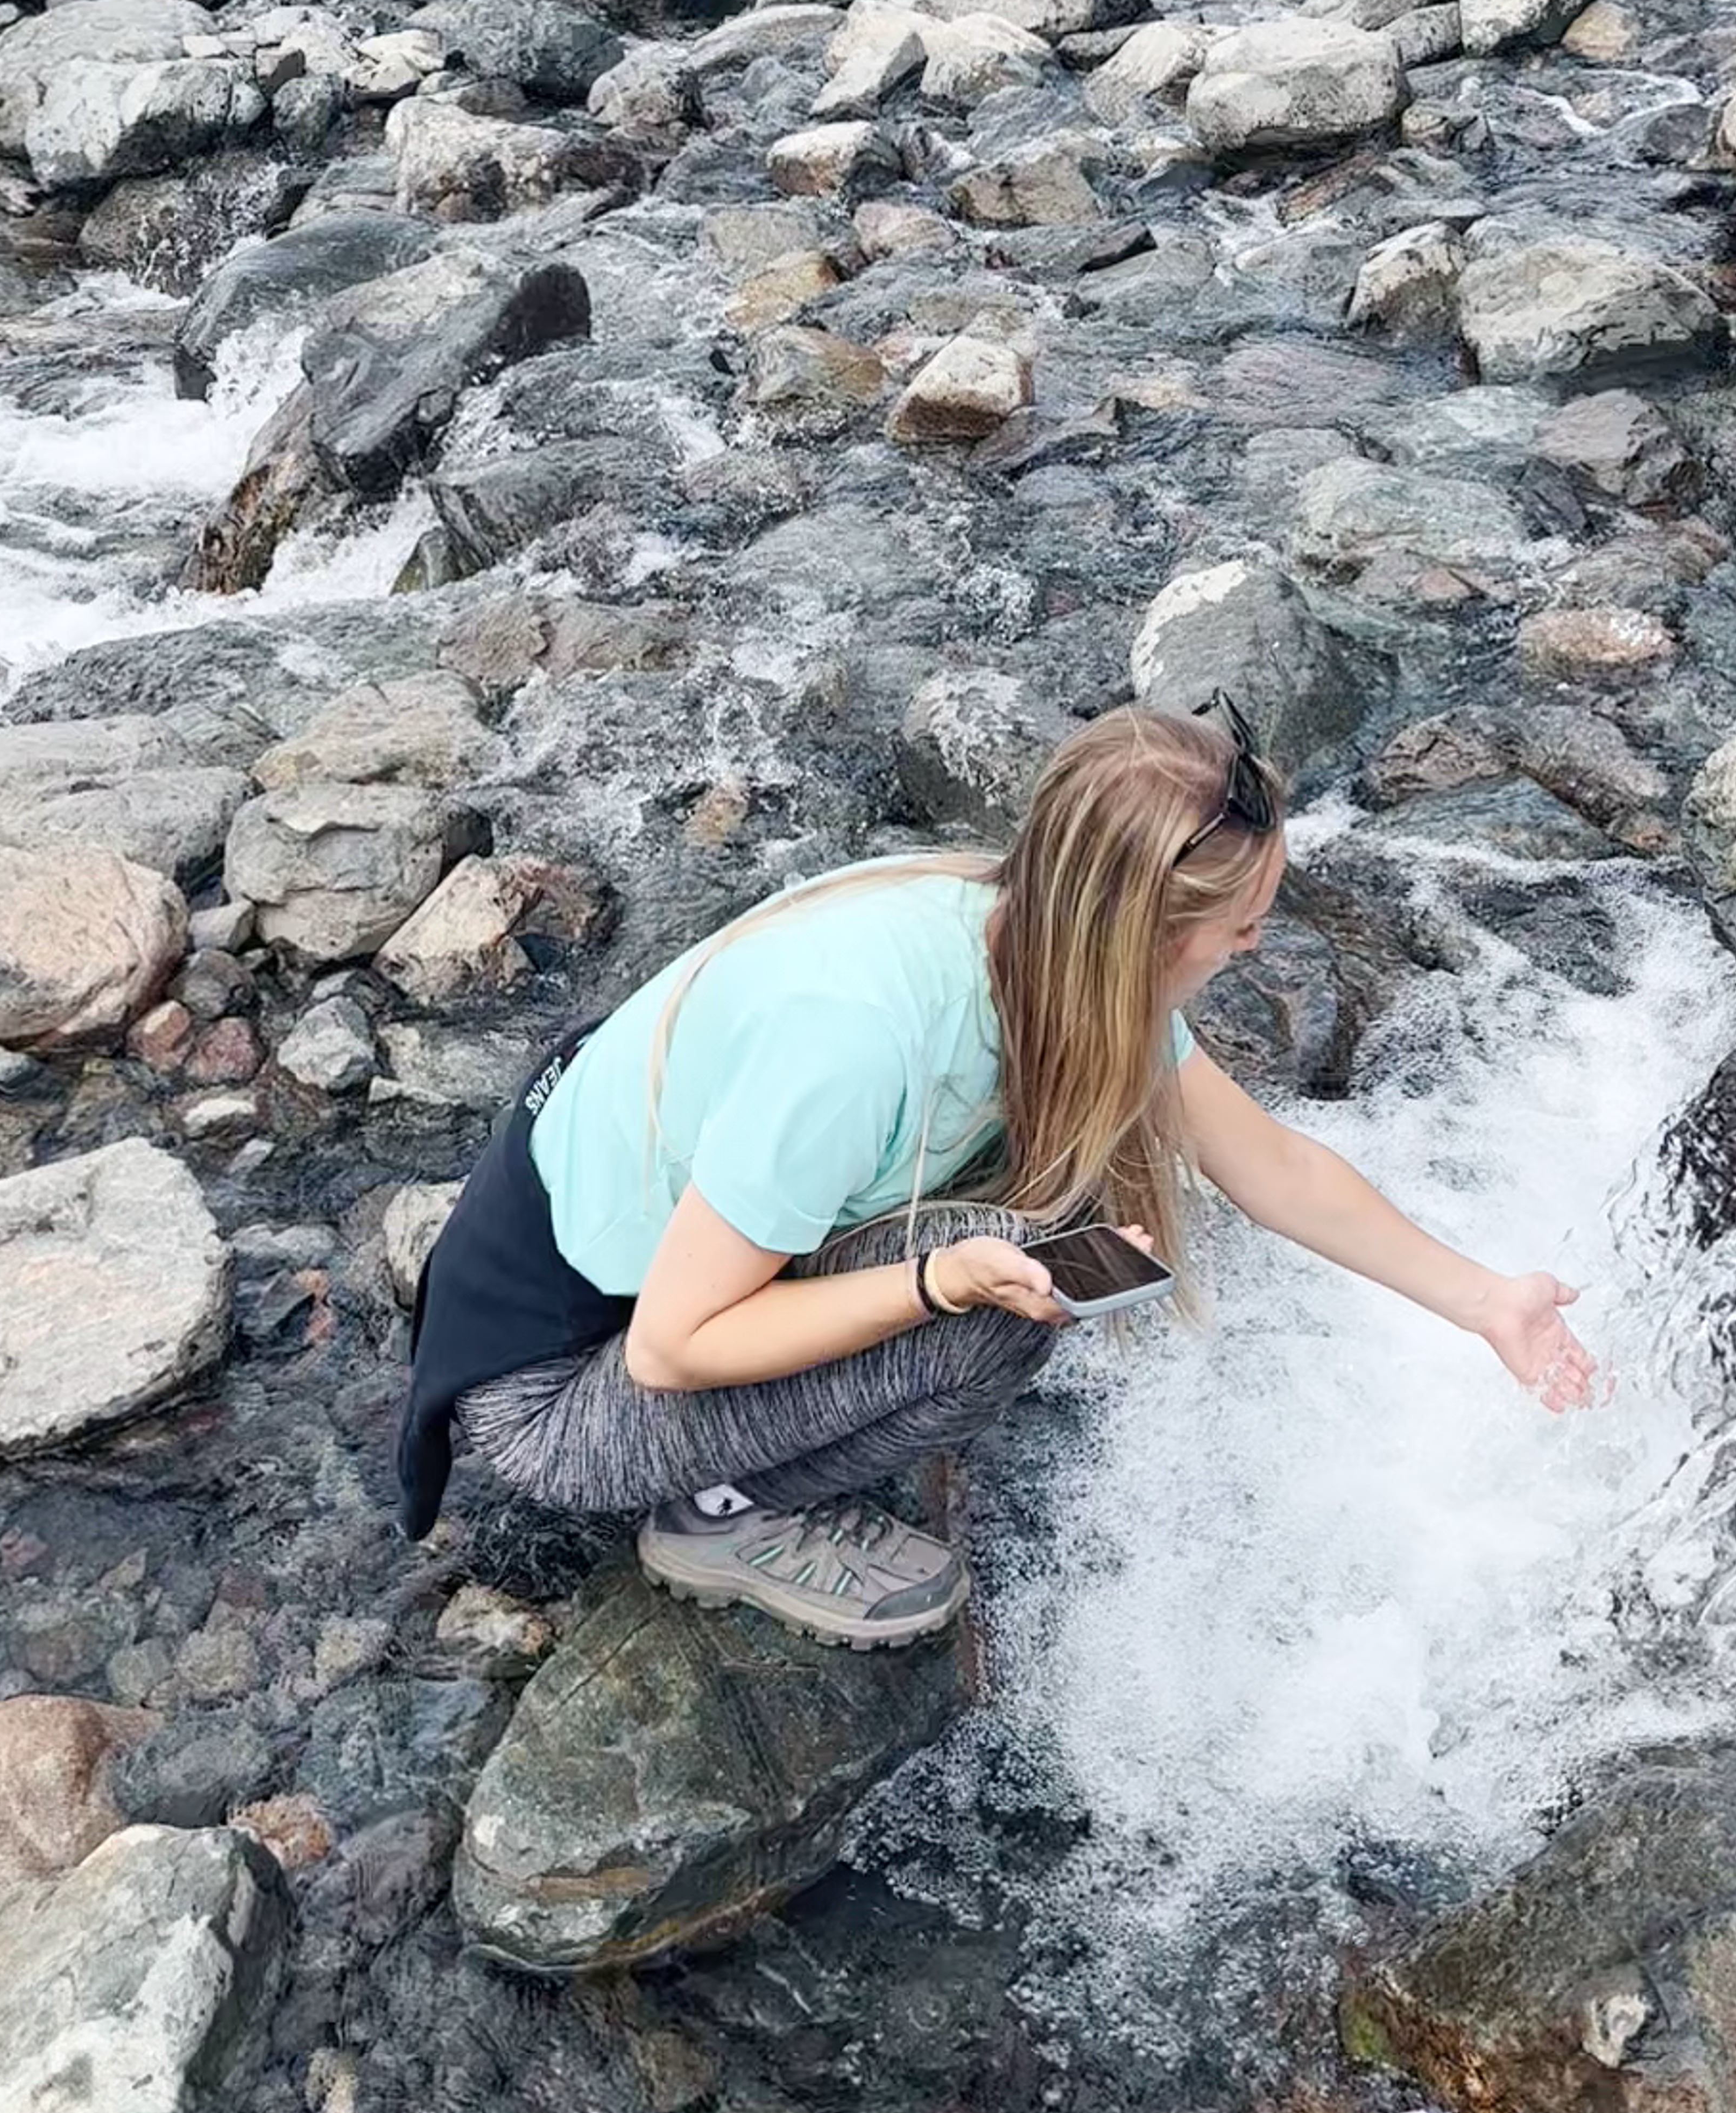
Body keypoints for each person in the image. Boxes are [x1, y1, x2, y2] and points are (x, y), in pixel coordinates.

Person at [398, 702, 1598, 1649]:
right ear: (1135, 927)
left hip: (621, 1260)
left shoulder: (1027, 928)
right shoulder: (859, 1032)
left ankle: (800, 1416)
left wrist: (1486, 1300)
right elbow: (670, 1346)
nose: (1255, 947)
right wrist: (935, 1283)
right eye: (1239, 925)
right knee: (1006, 1303)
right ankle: (722, 1517)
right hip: (552, 1392)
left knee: (1063, 1211)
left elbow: (1266, 1161)